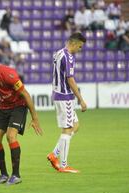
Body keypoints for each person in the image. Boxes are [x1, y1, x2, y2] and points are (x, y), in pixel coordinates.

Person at [0, 48, 43, 185]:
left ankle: (16, 175)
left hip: (18, 106)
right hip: (3, 107)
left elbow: (25, 94)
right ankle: (3, 175)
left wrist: (35, 118)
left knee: (10, 136)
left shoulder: (8, 73)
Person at [46, 32, 87, 173]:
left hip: (58, 94)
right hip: (65, 96)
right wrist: (81, 99)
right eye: (80, 47)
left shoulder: (58, 53)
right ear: (74, 43)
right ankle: (63, 165)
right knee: (67, 129)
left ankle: (54, 154)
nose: (79, 50)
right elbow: (70, 79)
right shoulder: (68, 57)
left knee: (75, 125)